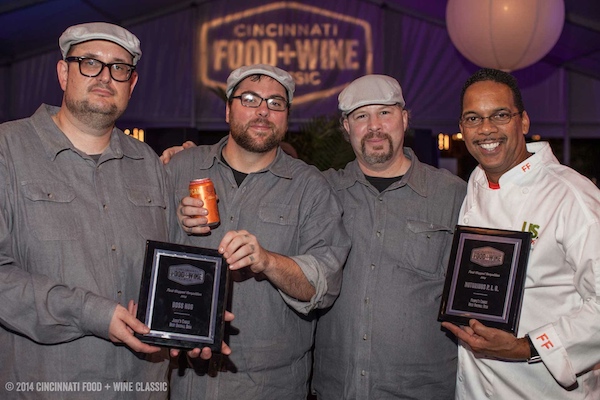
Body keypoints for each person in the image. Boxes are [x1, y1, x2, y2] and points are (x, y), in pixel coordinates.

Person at [0, 22, 225, 399]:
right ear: (62, 72)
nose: (105, 76)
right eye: (90, 63)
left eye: (119, 68)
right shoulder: (9, 151)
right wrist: (93, 313)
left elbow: (170, 270)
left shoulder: (149, 164)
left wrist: (196, 318)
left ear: (131, 84)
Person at [165, 64, 350, 399]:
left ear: (287, 117)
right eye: (250, 99)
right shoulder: (180, 168)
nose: (264, 110)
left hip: (269, 387)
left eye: (276, 103)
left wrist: (266, 261)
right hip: (185, 381)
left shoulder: (311, 187)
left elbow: (324, 284)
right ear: (227, 109)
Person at [441, 68, 600, 399]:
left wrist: (527, 347)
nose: (486, 129)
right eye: (473, 119)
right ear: (461, 129)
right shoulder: (475, 184)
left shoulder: (571, 195)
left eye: (499, 115)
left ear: (523, 122)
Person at [309, 74, 466, 399]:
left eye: (385, 112)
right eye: (361, 116)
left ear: (405, 119)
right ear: (346, 127)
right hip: (336, 390)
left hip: (423, 391)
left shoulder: (453, 195)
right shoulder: (320, 191)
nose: (374, 126)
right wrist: (188, 161)